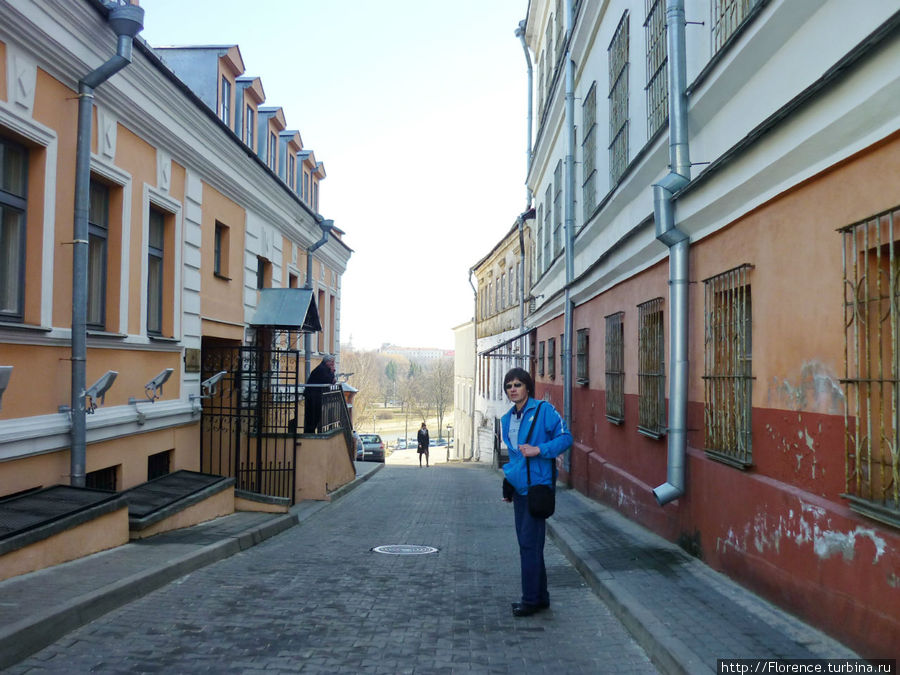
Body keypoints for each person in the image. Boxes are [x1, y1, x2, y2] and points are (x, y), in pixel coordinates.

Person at [500, 366, 572, 617]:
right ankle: (540, 597)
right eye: (509, 386)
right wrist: (508, 482)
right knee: (528, 544)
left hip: (538, 488)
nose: (513, 389)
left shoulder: (544, 411)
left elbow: (565, 438)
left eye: (518, 384)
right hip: (519, 490)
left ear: (527, 387)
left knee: (530, 545)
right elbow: (514, 456)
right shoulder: (506, 419)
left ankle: (530, 600)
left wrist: (539, 450)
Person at [303, 355, 336, 433]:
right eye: (332, 362)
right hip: (313, 396)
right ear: (327, 362)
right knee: (313, 416)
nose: (333, 364)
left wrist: (331, 373)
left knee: (315, 415)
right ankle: (310, 432)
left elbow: (332, 380)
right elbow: (330, 380)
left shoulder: (324, 368)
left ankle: (311, 431)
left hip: (315, 395)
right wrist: (332, 372)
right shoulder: (322, 369)